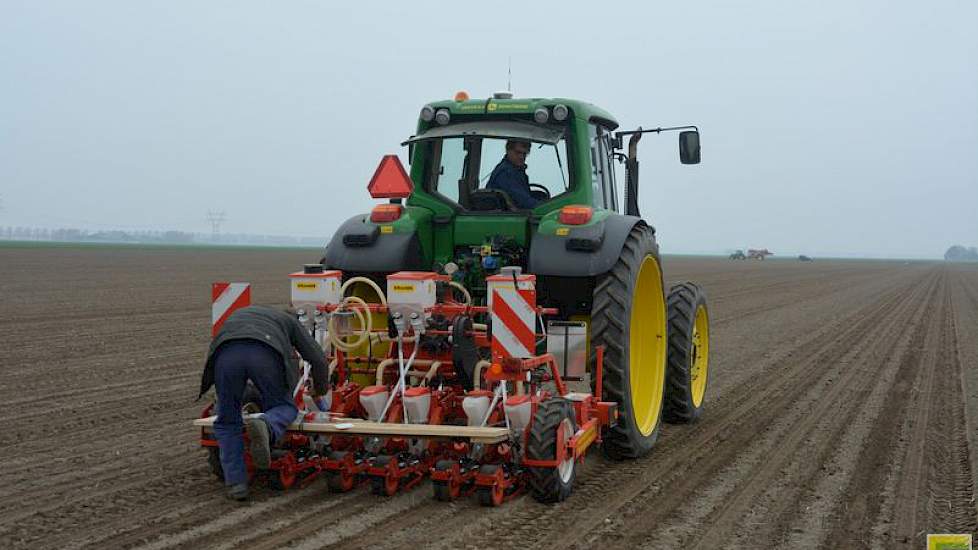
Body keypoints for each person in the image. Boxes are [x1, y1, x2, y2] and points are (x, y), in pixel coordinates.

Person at [198, 305, 330, 501]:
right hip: (264, 353)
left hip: (225, 354)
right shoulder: (290, 322)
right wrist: (320, 390)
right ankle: (267, 425)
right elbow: (318, 359)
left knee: (227, 421)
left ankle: (237, 485)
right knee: (284, 407)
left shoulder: (244, 313)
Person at [486, 139, 540, 209]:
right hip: (506, 216)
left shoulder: (517, 171)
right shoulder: (506, 173)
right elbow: (522, 200)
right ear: (508, 150)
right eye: (518, 152)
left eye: (524, 154)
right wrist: (545, 207)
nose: (521, 157)